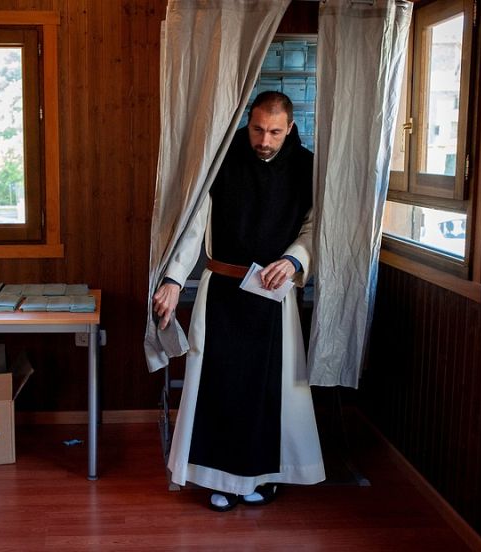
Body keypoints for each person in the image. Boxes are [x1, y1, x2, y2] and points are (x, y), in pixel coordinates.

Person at [153, 91, 325, 511]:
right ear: (248, 123)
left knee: (270, 391)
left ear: (290, 128)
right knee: (220, 387)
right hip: (222, 295)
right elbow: (194, 225)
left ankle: (264, 477)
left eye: (275, 132)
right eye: (257, 130)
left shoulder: (307, 167)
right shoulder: (222, 160)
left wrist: (293, 259)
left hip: (274, 296)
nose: (264, 140)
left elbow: (314, 226)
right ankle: (219, 477)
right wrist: (174, 279)